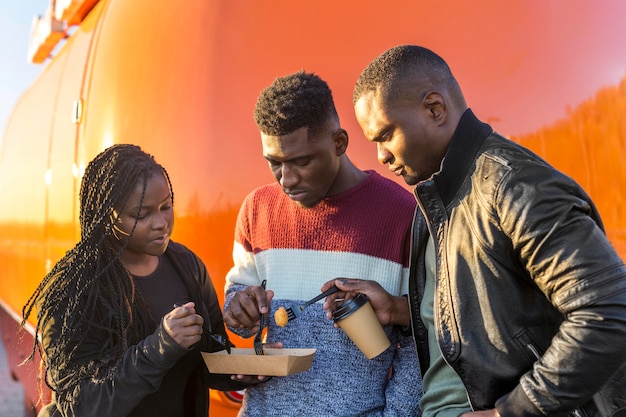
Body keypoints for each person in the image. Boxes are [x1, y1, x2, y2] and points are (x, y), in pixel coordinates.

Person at [322, 44, 626, 417]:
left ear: (435, 109)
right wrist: (401, 311)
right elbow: (492, 314)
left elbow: (607, 310)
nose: (381, 156)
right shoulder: (435, 194)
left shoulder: (514, 185)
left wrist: (511, 412)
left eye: (386, 135)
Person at [222, 70, 422, 416]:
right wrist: (239, 309)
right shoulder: (257, 209)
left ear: (339, 143)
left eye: (301, 161)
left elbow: (421, 340)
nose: (287, 179)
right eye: (274, 163)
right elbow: (237, 310)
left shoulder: (402, 216)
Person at [21, 144, 258, 417]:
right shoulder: (73, 289)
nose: (161, 222)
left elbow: (210, 356)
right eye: (142, 214)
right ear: (109, 216)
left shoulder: (187, 265)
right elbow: (79, 405)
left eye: (166, 206)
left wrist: (242, 371)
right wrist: (160, 347)